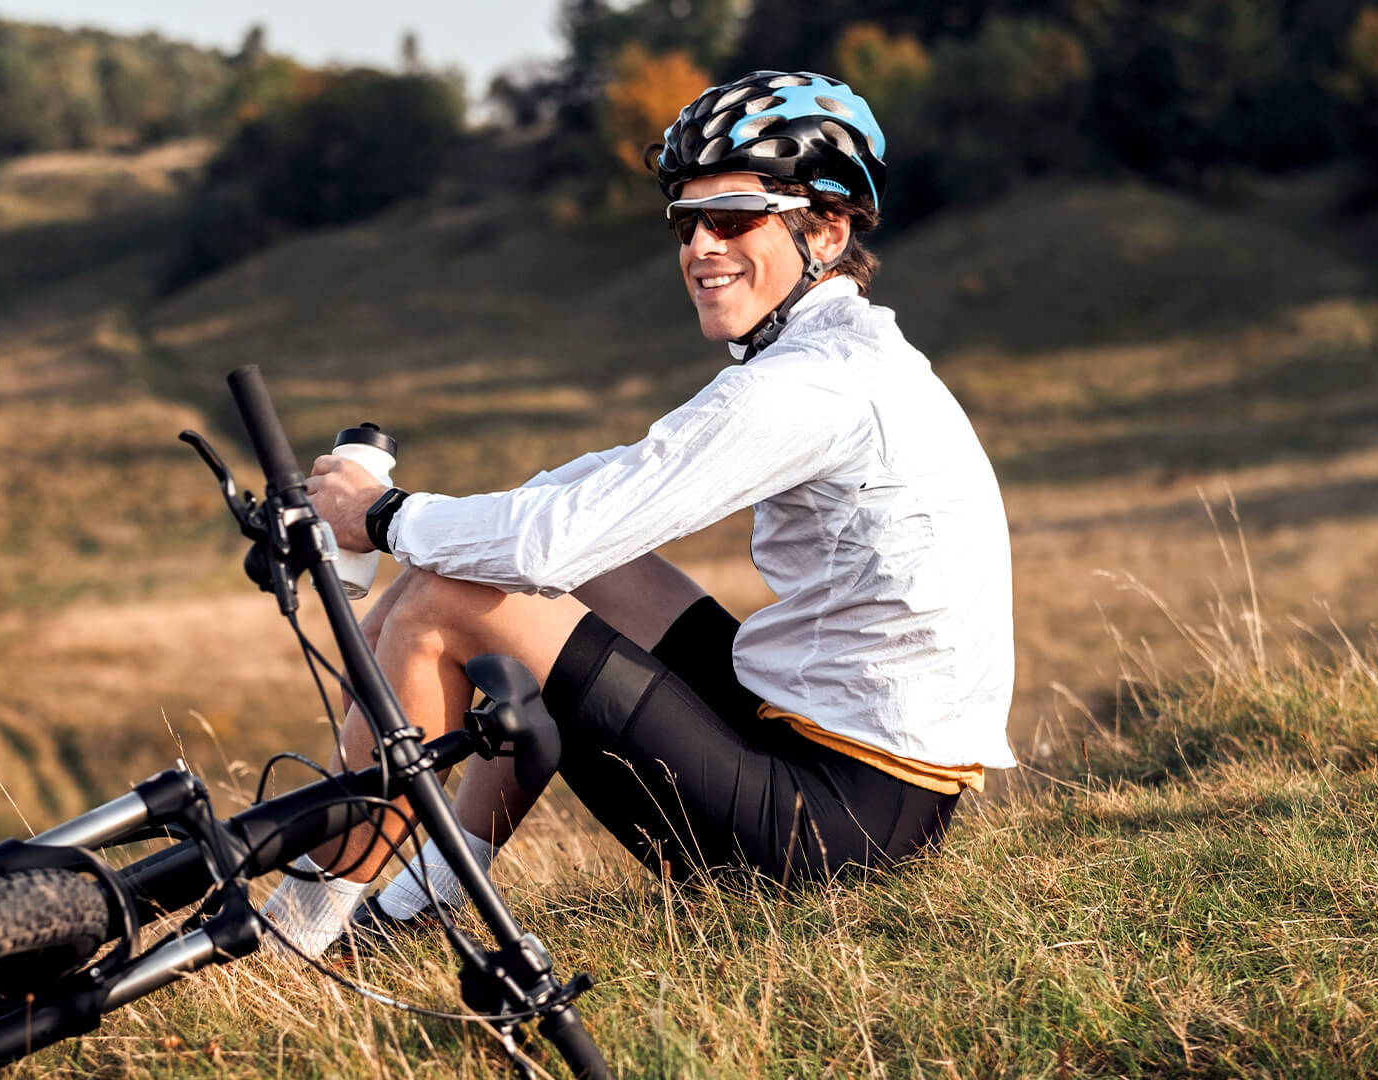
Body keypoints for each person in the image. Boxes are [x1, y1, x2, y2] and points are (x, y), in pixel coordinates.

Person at [262, 71, 1015, 958]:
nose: (700, 246)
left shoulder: (812, 386)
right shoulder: (838, 354)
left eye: (732, 217)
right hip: (848, 776)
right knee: (518, 574)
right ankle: (422, 896)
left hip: (831, 831)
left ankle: (296, 931)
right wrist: (412, 526)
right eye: (685, 221)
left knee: (446, 605)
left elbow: (552, 538)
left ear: (829, 227)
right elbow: (590, 497)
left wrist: (382, 515)